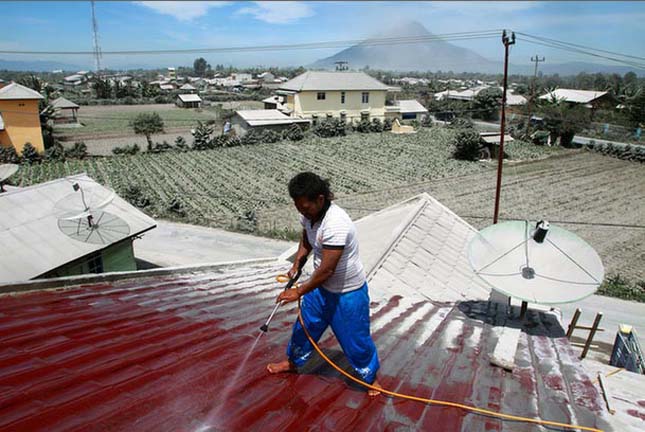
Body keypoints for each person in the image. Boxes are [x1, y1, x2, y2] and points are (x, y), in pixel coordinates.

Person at [266, 172, 381, 396]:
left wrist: (297, 292)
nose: (302, 212)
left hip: (347, 292)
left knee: (356, 340)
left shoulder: (337, 224)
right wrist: (298, 263)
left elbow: (327, 270)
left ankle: (371, 377)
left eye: (306, 207)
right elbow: (307, 239)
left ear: (320, 199)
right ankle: (293, 362)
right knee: (303, 328)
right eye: (298, 208)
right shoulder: (309, 215)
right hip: (319, 288)